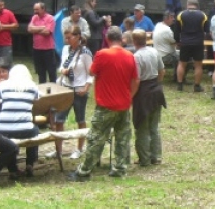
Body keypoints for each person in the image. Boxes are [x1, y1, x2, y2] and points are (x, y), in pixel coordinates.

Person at [68, 26, 139, 181]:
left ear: (107, 39)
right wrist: (129, 96)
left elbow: (92, 72)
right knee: (122, 137)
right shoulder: (130, 56)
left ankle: (84, 171)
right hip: (124, 104)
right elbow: (136, 80)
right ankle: (120, 168)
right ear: (121, 39)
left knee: (96, 138)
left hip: (106, 104)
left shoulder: (102, 54)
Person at [50, 25, 93, 160]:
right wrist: (62, 71)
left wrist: (86, 88)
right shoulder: (65, 50)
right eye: (66, 37)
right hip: (66, 88)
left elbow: (91, 73)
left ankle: (79, 149)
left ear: (78, 37)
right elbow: (62, 66)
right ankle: (58, 150)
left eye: (69, 37)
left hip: (79, 89)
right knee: (59, 120)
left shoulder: (85, 53)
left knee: (80, 119)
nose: (67, 40)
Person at [0, 64, 40, 177]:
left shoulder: (3, 85)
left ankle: (13, 170)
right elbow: (38, 97)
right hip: (25, 129)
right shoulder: (32, 86)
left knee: (9, 143)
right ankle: (29, 163)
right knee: (35, 132)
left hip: (2, 129)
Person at [132, 30, 166, 166]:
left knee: (141, 127)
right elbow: (162, 71)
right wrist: (157, 83)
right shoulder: (154, 51)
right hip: (156, 90)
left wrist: (131, 96)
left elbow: (137, 79)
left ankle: (144, 159)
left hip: (143, 93)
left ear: (134, 41)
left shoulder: (136, 57)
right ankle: (156, 156)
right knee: (154, 125)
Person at [176, 0, 208, 92]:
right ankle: (197, 86)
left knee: (182, 63)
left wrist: (178, 41)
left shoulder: (181, 15)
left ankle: (180, 85)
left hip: (185, 42)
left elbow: (177, 31)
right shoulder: (203, 15)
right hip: (198, 42)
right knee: (198, 65)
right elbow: (207, 30)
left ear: (187, 4)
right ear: (197, 5)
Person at [27, 2, 57, 83]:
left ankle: (54, 89)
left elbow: (47, 32)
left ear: (43, 9)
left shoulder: (50, 18)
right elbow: (29, 29)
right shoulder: (34, 17)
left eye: (37, 9)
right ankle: (42, 89)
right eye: (34, 9)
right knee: (40, 72)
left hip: (48, 50)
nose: (35, 11)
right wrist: (42, 28)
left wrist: (35, 30)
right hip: (37, 49)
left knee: (51, 72)